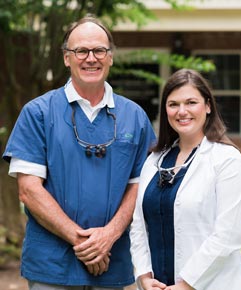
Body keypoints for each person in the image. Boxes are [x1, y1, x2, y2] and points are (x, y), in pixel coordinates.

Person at [2, 16, 156, 290]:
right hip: (52, 266)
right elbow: (29, 191)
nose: (90, 58)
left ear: (110, 57)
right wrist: (85, 243)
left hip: (112, 262)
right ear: (66, 58)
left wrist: (108, 236)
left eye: (99, 50)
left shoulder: (135, 117)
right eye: (81, 51)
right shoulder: (38, 113)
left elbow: (140, 187)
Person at [129, 69, 241, 290]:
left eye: (191, 102)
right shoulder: (154, 160)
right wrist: (144, 276)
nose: (182, 111)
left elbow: (227, 236)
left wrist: (185, 285)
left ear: (207, 106)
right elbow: (138, 226)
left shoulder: (227, 161)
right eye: (173, 104)